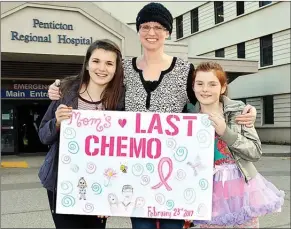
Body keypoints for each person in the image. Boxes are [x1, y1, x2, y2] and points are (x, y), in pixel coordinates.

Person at [46, 3, 258, 229]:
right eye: (145, 26)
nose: (151, 33)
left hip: (175, 171)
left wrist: (241, 109)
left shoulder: (184, 70)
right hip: (137, 171)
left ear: (167, 32)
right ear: (138, 31)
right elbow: (96, 79)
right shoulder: (124, 69)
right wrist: (59, 85)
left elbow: (208, 97)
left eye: (158, 27)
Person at [186, 61, 285, 228]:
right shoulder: (187, 117)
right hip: (209, 191)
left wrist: (226, 132)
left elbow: (255, 152)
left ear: (223, 87)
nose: (205, 89)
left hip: (243, 187)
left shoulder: (240, 112)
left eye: (212, 84)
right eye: (200, 83)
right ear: (193, 86)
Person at [38, 39, 124, 228]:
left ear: (116, 68)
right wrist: (57, 123)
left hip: (101, 185)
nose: (102, 68)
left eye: (109, 63)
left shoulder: (120, 100)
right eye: (96, 61)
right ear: (87, 64)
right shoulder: (67, 91)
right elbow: (43, 135)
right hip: (61, 183)